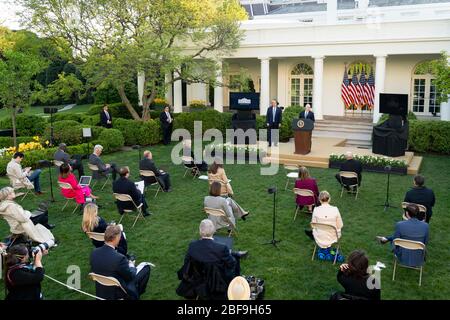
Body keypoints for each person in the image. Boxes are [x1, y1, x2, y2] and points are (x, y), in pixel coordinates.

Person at [176, 219, 247, 300]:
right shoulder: (222, 248)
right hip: (218, 282)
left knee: (231, 256)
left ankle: (236, 254)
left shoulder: (192, 246)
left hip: (198, 278)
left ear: (200, 230)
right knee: (234, 258)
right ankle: (236, 281)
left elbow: (187, 263)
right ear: (213, 230)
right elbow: (231, 264)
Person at [90, 225, 151, 300]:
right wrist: (131, 265)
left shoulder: (94, 253)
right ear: (115, 239)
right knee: (146, 267)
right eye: (119, 237)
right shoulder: (119, 258)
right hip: (118, 291)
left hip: (102, 291)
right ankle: (135, 293)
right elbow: (130, 276)